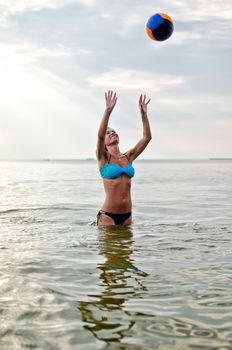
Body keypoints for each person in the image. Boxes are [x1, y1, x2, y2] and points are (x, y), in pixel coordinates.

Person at [96, 90, 152, 225]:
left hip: (127, 216)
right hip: (108, 216)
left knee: (128, 247)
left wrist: (143, 114)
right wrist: (108, 111)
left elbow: (147, 137)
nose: (112, 133)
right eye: (108, 133)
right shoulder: (103, 158)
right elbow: (100, 136)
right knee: (110, 247)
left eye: (114, 131)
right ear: (104, 144)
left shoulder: (129, 157)